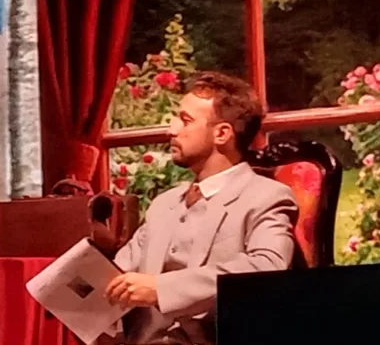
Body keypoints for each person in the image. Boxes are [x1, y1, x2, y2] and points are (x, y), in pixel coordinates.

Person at [95, 71, 299, 345]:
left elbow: (268, 267)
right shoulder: (164, 204)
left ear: (222, 134)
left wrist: (161, 289)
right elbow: (117, 274)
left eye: (185, 120)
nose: (171, 129)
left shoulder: (266, 197)